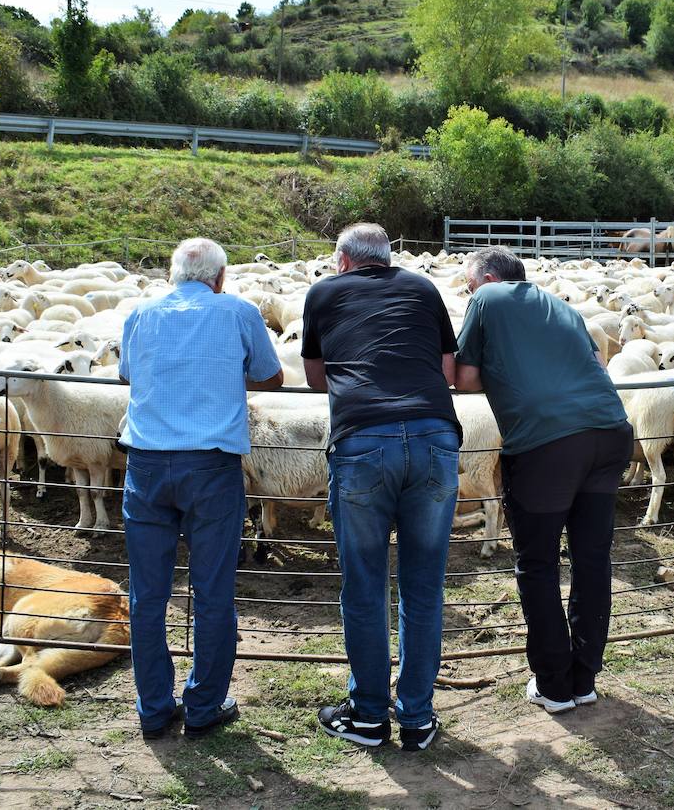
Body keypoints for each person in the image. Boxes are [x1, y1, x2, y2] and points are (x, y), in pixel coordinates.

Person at [301, 223, 460, 752]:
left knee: (365, 583)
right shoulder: (421, 287)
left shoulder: (323, 292)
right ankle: (416, 717)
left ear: (343, 260)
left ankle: (369, 715)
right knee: (424, 585)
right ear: (388, 258)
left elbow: (317, 377)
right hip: (436, 436)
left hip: (363, 442)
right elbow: (445, 368)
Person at [454, 247, 633, 714]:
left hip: (547, 444)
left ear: (488, 279)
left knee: (538, 563)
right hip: (609, 431)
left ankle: (554, 685)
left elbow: (466, 379)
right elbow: (596, 363)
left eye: (468, 286)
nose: (469, 294)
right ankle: (584, 678)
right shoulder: (563, 306)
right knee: (592, 558)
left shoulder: (487, 300)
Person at [118, 237, 283, 740]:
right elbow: (271, 378)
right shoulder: (238, 311)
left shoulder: (140, 313)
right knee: (212, 590)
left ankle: (152, 708)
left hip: (145, 465)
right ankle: (204, 705)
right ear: (220, 277)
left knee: (148, 593)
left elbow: (128, 373)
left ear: (173, 274)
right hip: (211, 466)